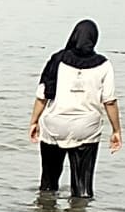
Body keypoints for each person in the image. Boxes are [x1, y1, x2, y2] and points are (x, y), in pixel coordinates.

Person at [28, 19, 120, 200]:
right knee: (83, 187)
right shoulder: (104, 64)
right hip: (86, 128)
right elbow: (109, 101)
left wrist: (33, 122)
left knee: (48, 181)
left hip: (54, 125)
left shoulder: (57, 59)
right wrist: (116, 130)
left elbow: (42, 95)